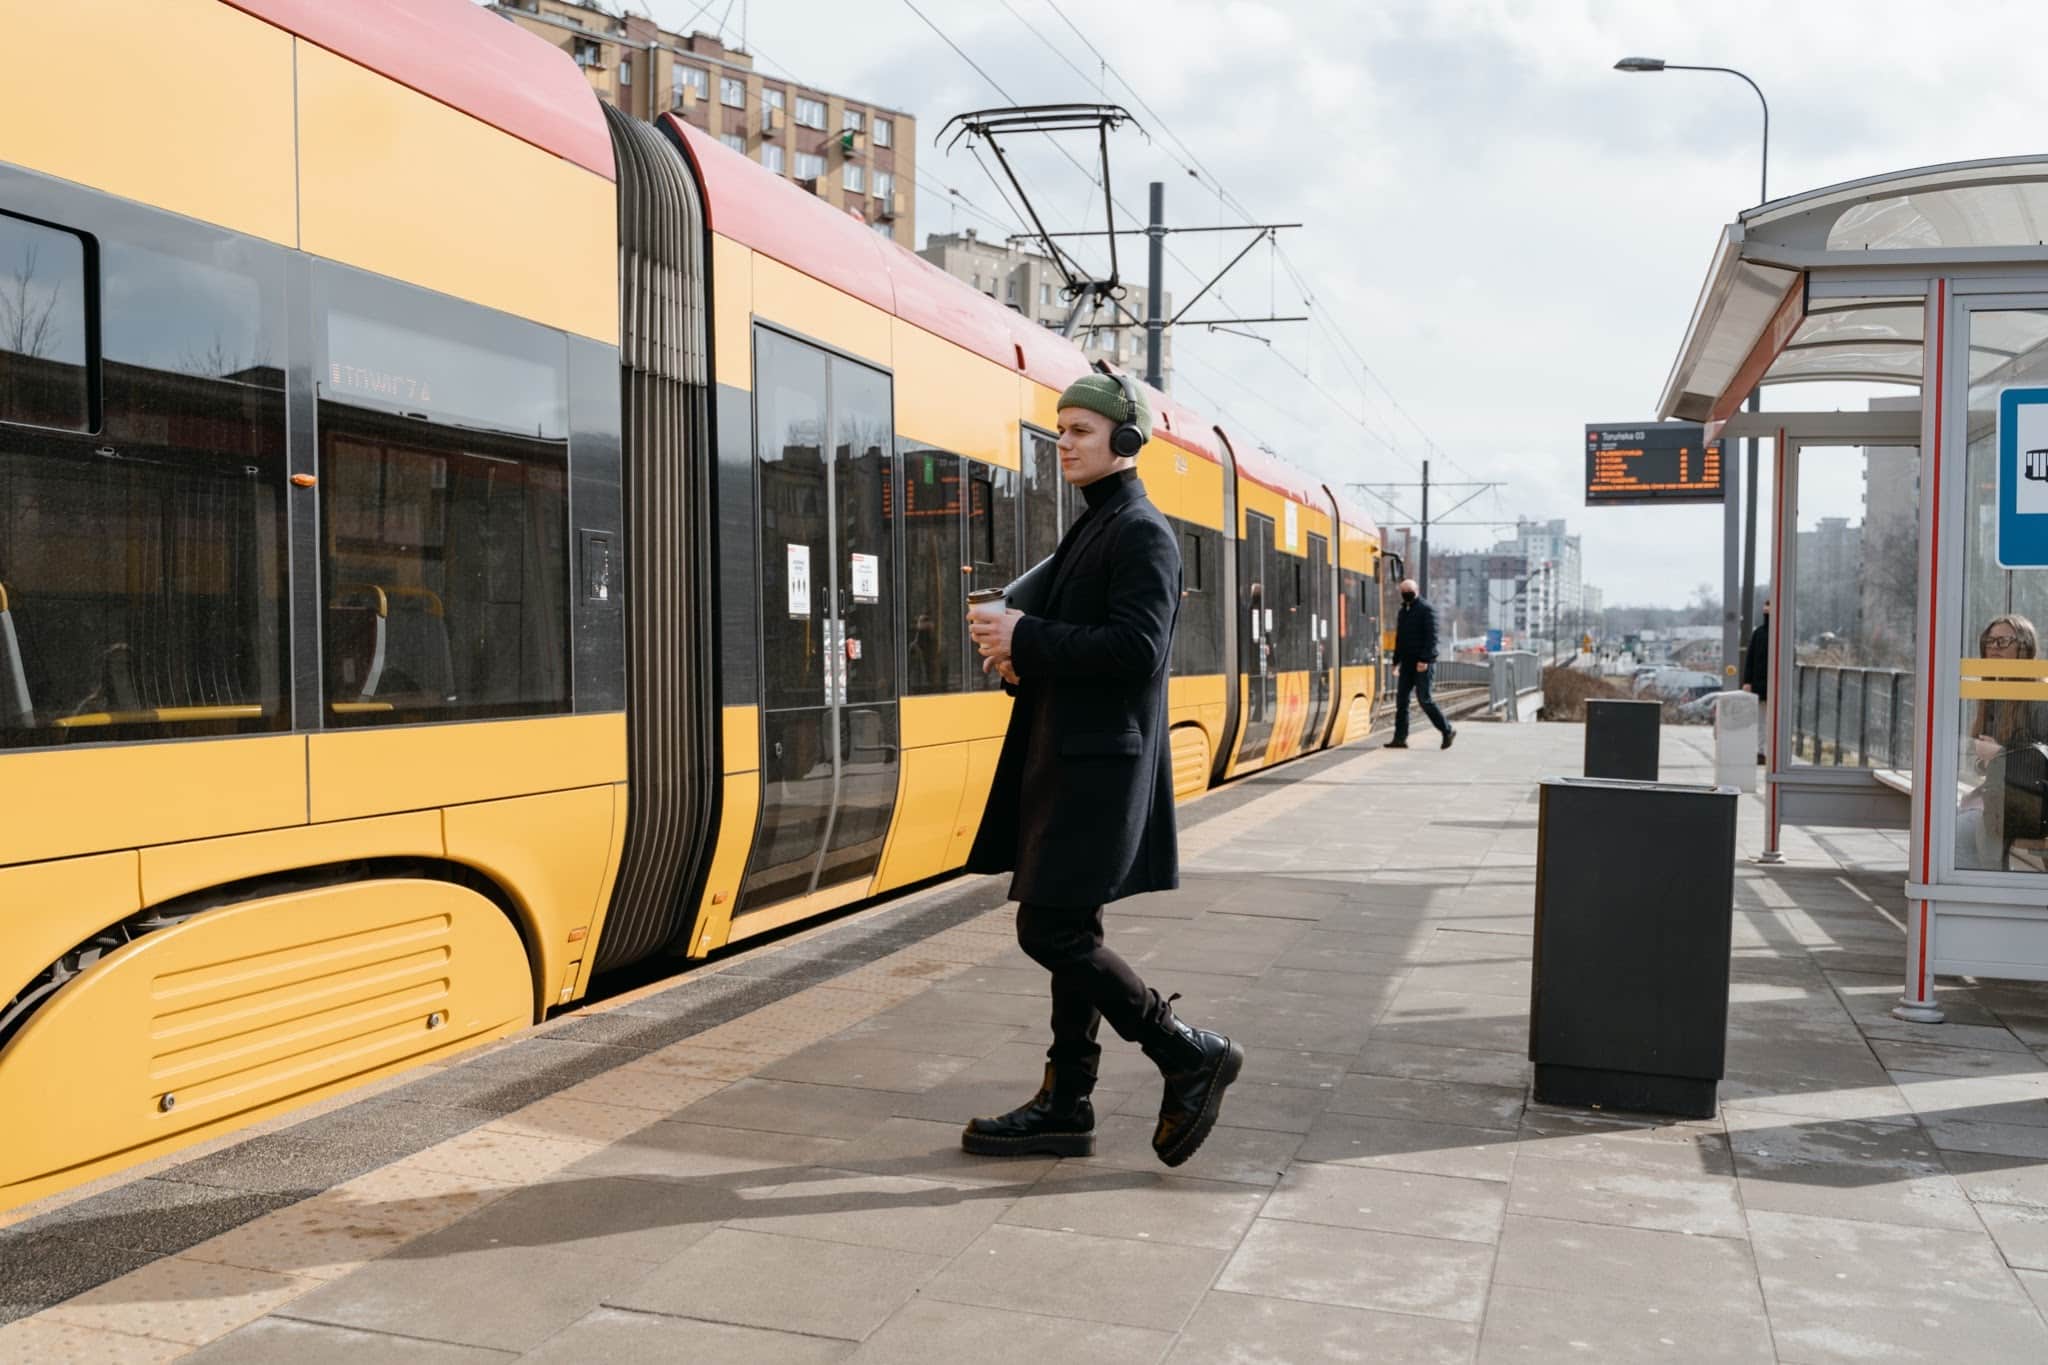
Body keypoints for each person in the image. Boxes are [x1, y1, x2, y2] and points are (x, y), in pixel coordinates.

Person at [962, 371, 1243, 1168]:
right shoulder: (1095, 527)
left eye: (1081, 430)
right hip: (1070, 755)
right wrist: (1023, 653)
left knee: (1047, 928)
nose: (1065, 444)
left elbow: (1138, 650)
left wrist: (1029, 638)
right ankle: (1066, 1101)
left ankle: (1185, 1049)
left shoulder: (1141, 530)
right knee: (1069, 927)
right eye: (1059, 431)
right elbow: (1085, 641)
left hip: (1099, 769)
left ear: (1126, 440)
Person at [1957, 614, 2048, 868]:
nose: (1993, 647)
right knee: (1949, 827)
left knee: (1959, 833)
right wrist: (1984, 759)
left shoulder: (2039, 695)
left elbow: (2041, 759)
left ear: (2024, 647)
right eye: (1989, 641)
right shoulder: (1994, 692)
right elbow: (1978, 760)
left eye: (2003, 641)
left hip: (2030, 800)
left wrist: (1999, 754)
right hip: (2001, 794)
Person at [1387, 578, 1453, 749]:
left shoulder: (1426, 610)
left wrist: (1425, 660)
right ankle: (1400, 738)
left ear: (1416, 590)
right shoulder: (1403, 612)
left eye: (1408, 591)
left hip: (1423, 664)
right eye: (1403, 591)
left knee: (1425, 699)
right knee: (1401, 701)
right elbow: (1399, 639)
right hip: (1407, 664)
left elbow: (1432, 638)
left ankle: (1447, 730)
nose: (1405, 594)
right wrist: (1396, 661)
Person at [1741, 601, 1770, 763]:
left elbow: (1750, 659)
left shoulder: (1759, 633)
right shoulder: (1765, 633)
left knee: (1762, 720)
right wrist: (1747, 681)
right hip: (1768, 685)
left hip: (1760, 684)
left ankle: (1762, 751)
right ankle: (1761, 750)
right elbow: (1751, 658)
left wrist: (1748, 681)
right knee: (1763, 720)